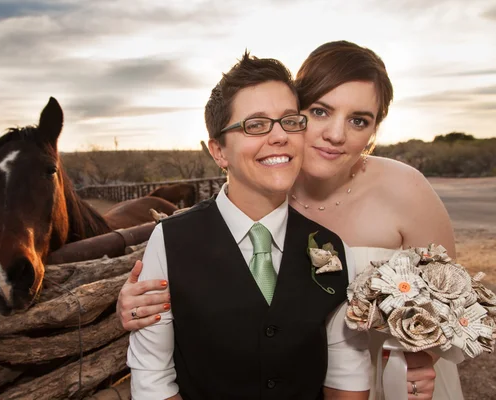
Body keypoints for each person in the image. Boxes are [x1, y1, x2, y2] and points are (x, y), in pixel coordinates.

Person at [118, 41, 465, 400]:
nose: (336, 134)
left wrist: (424, 354)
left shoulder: (404, 189)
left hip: (397, 380)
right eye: (319, 112)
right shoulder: (266, 180)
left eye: (359, 120)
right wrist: (135, 300)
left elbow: (450, 300)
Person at [127, 52, 371, 399]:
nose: (280, 137)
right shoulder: (170, 242)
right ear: (219, 151)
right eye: (255, 125)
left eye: (290, 121)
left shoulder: (330, 248)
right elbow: (153, 377)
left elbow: (347, 373)